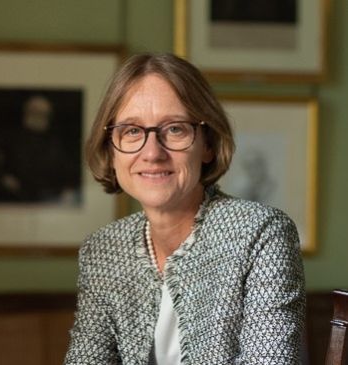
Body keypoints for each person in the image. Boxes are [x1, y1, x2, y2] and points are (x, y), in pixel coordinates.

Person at [64, 53, 305, 364]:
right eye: (132, 130)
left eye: (175, 129)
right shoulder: (103, 250)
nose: (152, 153)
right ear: (111, 149)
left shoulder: (261, 234)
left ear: (207, 144)